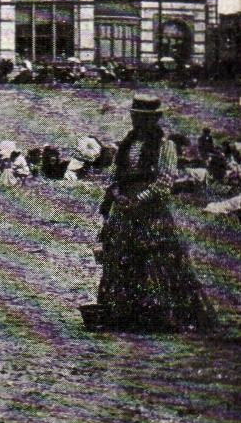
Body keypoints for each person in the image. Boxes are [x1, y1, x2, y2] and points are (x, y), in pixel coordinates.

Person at [89, 95, 215, 333]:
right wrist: (118, 195)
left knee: (155, 262)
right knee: (120, 261)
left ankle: (156, 316)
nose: (137, 121)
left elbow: (164, 182)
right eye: (135, 116)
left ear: (154, 119)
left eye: (143, 118)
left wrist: (138, 199)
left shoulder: (165, 146)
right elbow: (114, 176)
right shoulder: (126, 145)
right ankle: (122, 313)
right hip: (124, 212)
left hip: (150, 212)